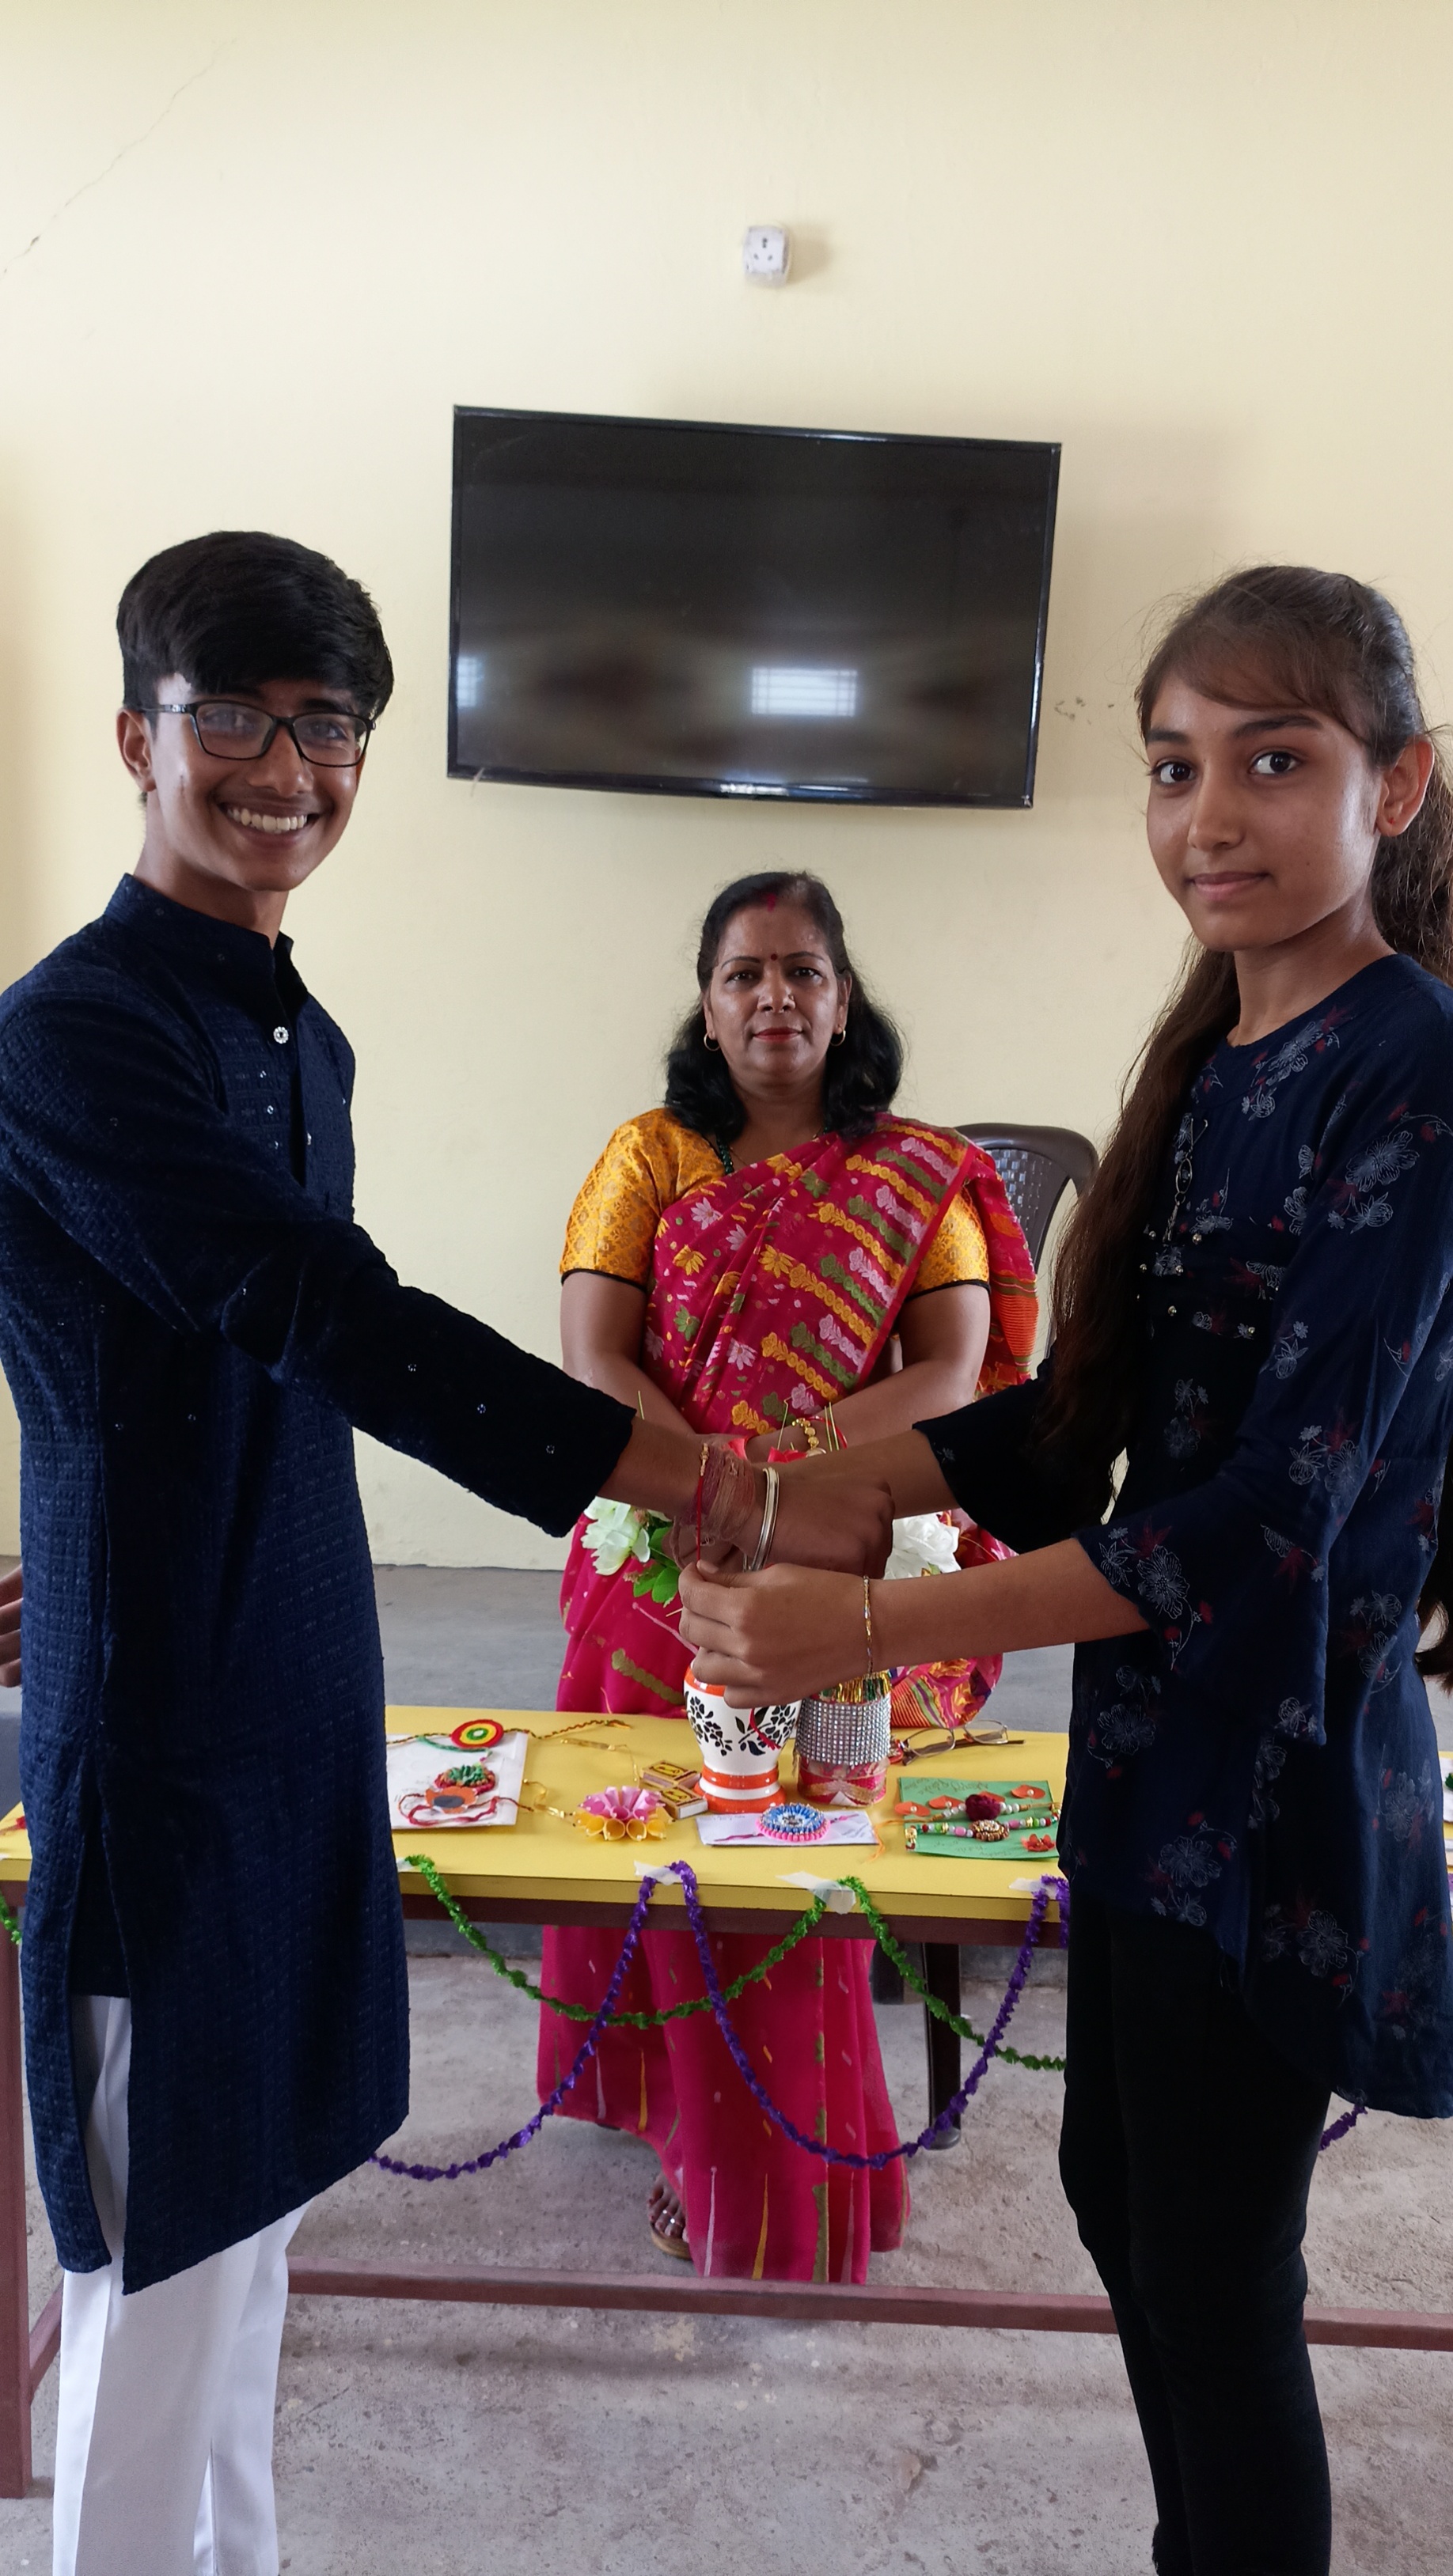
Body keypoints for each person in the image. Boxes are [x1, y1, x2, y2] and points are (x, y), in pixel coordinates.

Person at [0, 533, 888, 2576]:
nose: (288, 768)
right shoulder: (72, 1033)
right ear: (136, 737)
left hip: (306, 1682)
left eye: (331, 725)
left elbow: (218, 1363)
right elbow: (325, 1312)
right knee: (152, 2277)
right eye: (236, 718)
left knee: (254, 2243)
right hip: (167, 1736)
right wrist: (721, 1490)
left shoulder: (294, 1037)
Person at [679, 568, 1453, 2576]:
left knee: (1217, 2269)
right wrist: (792, 1481)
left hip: (1273, 1778)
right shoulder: (1218, 1056)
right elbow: (1082, 1417)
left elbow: (1267, 1516)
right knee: (1123, 2198)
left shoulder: (1410, 1064)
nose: (1210, 814)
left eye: (1274, 760)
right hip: (1142, 1755)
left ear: (1396, 785)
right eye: (1175, 766)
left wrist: (866, 1620)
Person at [538, 869, 1036, 2275]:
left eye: (803, 970)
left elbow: (947, 1375)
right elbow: (595, 1358)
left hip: (851, 1527)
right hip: (669, 1515)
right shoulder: (648, 1156)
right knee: (653, 1717)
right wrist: (708, 1486)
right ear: (706, 1007)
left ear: (843, 997)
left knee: (797, 1798)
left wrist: (781, 1476)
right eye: (745, 974)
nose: (775, 996)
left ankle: (771, 2144)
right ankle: (663, 2099)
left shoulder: (919, 1172)